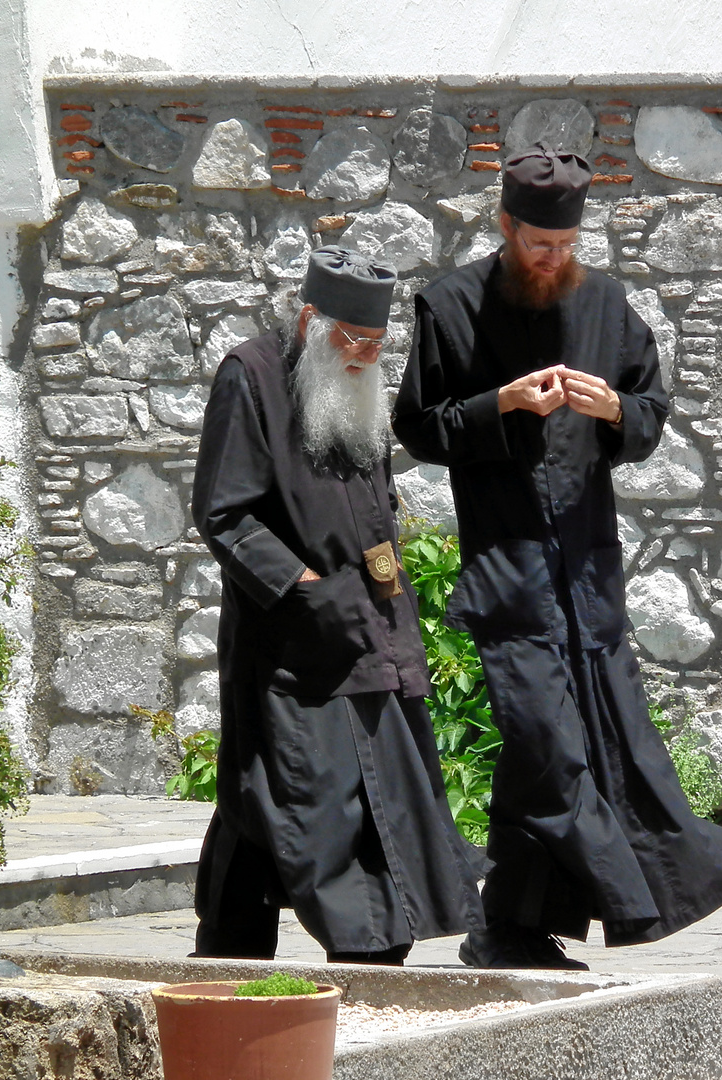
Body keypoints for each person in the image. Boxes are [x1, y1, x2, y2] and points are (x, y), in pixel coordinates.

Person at [392, 143, 722, 970]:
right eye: (537, 246)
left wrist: (615, 409)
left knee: (568, 748)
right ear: (505, 226)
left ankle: (511, 928)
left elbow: (650, 414)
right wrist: (501, 403)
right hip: (510, 579)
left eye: (565, 248)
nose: (553, 261)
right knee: (553, 749)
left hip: (589, 578)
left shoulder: (606, 303)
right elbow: (418, 427)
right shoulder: (450, 306)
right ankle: (650, 887)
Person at [190, 245, 483, 965]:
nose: (362, 356)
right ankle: (364, 948)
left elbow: (372, 502)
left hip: (371, 629)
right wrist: (301, 587)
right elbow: (225, 512)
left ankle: (266, 946)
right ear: (311, 319)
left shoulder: (355, 384)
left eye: (376, 345)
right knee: (308, 797)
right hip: (291, 641)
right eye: (351, 341)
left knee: (300, 797)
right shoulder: (251, 374)